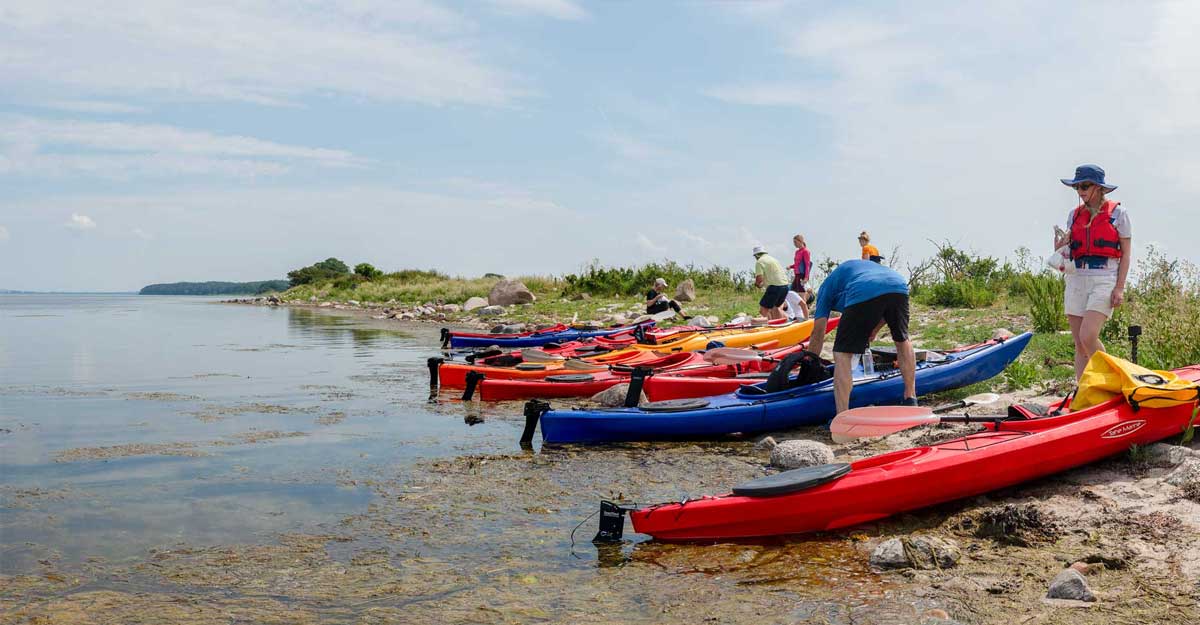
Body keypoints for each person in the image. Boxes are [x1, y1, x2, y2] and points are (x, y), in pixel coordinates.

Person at [805, 259, 916, 415]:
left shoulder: (825, 290)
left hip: (863, 288)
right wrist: (874, 330)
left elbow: (818, 332)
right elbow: (884, 307)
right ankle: (910, 397)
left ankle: (842, 414)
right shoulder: (853, 274)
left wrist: (810, 361)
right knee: (902, 340)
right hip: (898, 285)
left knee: (842, 354)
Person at [1053, 164, 1131, 381]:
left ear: (1098, 187)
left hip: (1104, 279)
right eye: (1077, 187)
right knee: (1079, 344)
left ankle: (1112, 381)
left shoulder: (1118, 214)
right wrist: (1059, 246)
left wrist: (1119, 287)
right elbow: (1066, 254)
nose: (1080, 191)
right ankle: (1084, 391)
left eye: (1084, 186)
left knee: (1088, 336)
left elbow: (1126, 255)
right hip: (1076, 278)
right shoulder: (1074, 216)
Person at [752, 246, 790, 320]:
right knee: (776, 308)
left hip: (775, 287)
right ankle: (780, 326)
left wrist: (757, 284)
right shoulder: (773, 259)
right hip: (785, 286)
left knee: (763, 310)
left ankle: (768, 327)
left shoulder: (759, 262)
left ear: (756, 255)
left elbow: (759, 279)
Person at [788, 234, 811, 318]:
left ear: (800, 241)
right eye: (793, 242)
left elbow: (807, 265)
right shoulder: (797, 252)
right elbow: (797, 264)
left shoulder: (805, 251)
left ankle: (806, 316)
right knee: (792, 293)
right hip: (797, 275)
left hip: (802, 275)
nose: (794, 244)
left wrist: (806, 277)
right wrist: (790, 267)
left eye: (795, 242)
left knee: (801, 296)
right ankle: (795, 314)